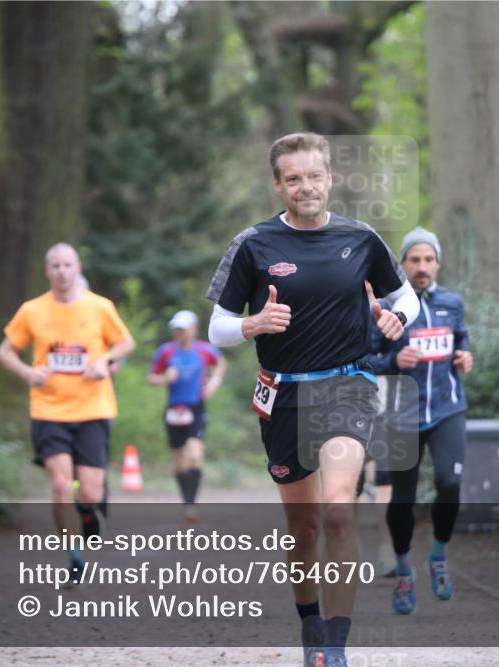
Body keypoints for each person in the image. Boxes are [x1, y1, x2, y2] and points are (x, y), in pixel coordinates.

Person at [205, 132, 420, 667]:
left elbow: (406, 298)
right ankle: (310, 627)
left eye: (314, 175)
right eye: (294, 178)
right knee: (302, 527)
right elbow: (217, 328)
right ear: (278, 184)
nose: (306, 186)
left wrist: (396, 318)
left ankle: (337, 647)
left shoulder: (361, 237)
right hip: (283, 395)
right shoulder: (253, 244)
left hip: (348, 386)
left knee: (338, 511)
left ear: (330, 178)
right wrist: (253, 324)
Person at [0, 243, 135, 581]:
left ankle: (88, 511)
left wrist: (105, 360)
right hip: (49, 409)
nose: (61, 270)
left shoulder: (99, 307)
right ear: (48, 271)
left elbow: (125, 343)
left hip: (93, 407)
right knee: (60, 485)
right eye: (55, 265)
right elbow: (5, 352)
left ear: (77, 268)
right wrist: (28, 373)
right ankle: (74, 558)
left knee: (89, 490)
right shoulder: (32, 310)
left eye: (67, 264)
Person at [368, 226, 473, 615]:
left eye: (429, 260)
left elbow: (461, 341)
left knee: (450, 482)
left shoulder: (452, 302)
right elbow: (367, 358)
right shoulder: (387, 307)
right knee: (404, 498)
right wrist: (394, 361)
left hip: (447, 410)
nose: (423, 266)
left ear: (438, 264)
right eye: (415, 260)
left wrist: (465, 357)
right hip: (403, 414)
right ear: (403, 264)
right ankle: (404, 569)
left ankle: (439, 556)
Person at [148, 309, 226, 524]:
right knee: (179, 462)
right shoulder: (165, 352)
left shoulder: (204, 350)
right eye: (176, 329)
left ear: (194, 330)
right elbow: (151, 378)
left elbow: (220, 364)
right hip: (174, 409)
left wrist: (214, 382)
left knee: (194, 455)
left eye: (183, 329)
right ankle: (187, 501)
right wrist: (165, 378)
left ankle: (190, 506)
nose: (179, 333)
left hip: (196, 408)